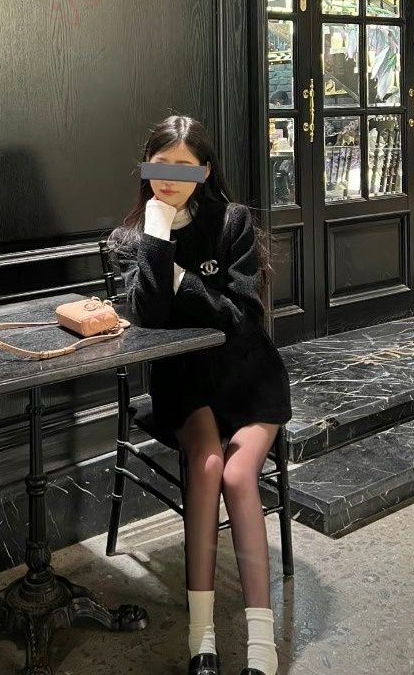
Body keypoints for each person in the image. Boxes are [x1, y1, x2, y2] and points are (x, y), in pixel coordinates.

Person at [107, 115, 292, 675]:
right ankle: (201, 639)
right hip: (184, 382)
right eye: (160, 164)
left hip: (249, 377)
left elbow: (242, 317)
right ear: (146, 167)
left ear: (205, 171)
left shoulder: (232, 223)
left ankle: (261, 644)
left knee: (237, 475)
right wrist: (158, 237)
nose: (170, 177)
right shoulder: (132, 237)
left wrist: (183, 281)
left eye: (184, 167)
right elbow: (148, 314)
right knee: (208, 463)